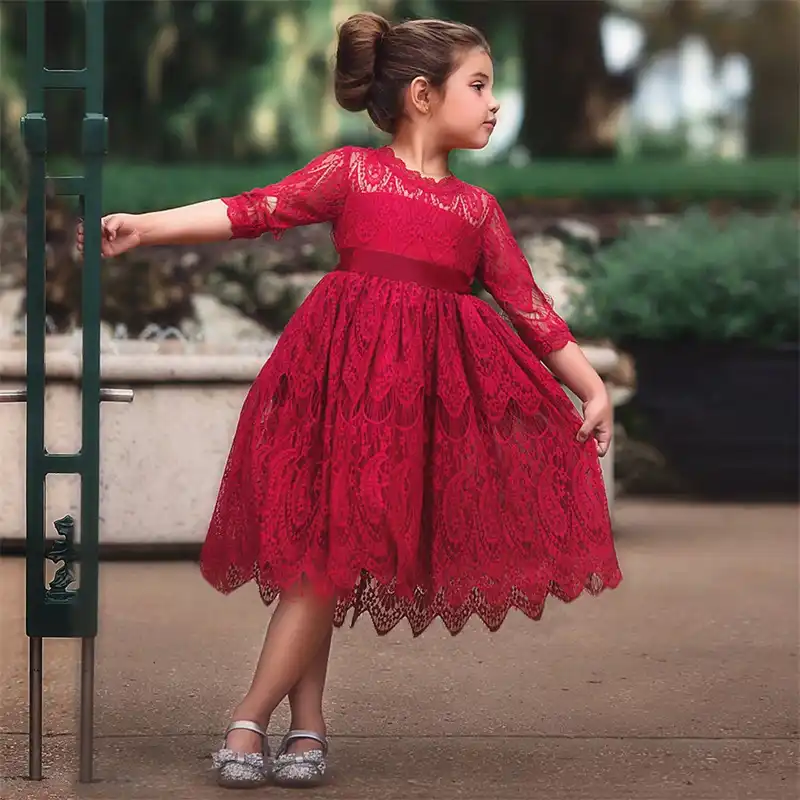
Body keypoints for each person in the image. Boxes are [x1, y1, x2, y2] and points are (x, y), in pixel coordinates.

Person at [78, 12, 622, 791]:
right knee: (322, 557)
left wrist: (591, 385)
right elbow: (254, 209)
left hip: (407, 410)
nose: (495, 102)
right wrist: (147, 228)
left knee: (328, 556)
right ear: (423, 95)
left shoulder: (476, 212)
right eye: (479, 86)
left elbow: (529, 308)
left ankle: (275, 719)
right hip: (330, 385)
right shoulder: (353, 174)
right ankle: (280, 721)